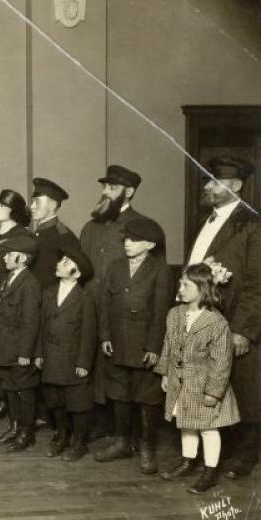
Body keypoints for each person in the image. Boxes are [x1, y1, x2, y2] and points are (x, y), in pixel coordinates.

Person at [186, 155, 261, 481]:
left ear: (236, 186)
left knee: (246, 389)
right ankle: (217, 454)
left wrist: (243, 330)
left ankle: (245, 456)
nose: (206, 187)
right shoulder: (207, 221)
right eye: (206, 180)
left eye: (212, 182)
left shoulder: (252, 224)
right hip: (208, 322)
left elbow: (257, 283)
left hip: (236, 325)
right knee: (215, 388)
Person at [94, 217, 173, 475]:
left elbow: (162, 312)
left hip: (143, 345)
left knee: (147, 396)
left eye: (134, 240)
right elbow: (105, 305)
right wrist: (105, 336)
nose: (127, 243)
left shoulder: (160, 270)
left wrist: (154, 347)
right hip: (117, 342)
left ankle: (147, 447)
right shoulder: (115, 267)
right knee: (119, 393)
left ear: (149, 244)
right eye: (125, 239)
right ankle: (122, 442)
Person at [156, 263, 240, 494]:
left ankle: (210, 471)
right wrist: (165, 372)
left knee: (208, 428)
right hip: (180, 382)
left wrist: (213, 392)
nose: (181, 288)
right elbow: (168, 345)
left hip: (204, 385)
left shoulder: (216, 322)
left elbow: (222, 361)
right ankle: (188, 461)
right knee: (186, 423)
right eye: (180, 284)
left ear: (203, 289)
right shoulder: (175, 314)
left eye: (187, 285)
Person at [79, 165, 149, 439]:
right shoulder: (90, 227)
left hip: (122, 313)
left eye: (112, 187)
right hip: (90, 306)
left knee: (118, 369)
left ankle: (121, 427)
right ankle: (97, 418)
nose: (105, 192)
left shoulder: (140, 227)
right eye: (104, 187)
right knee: (91, 361)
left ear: (129, 192)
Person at [35, 244, 97, 461]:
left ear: (77, 273)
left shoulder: (85, 298)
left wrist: (84, 363)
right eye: (61, 261)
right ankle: (61, 435)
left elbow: (89, 333)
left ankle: (79, 442)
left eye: (66, 263)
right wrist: (39, 352)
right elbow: (41, 326)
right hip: (51, 357)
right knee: (55, 400)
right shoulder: (49, 293)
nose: (59, 264)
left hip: (73, 360)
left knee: (77, 403)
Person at [0, 189, 33, 423]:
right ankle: (0, 399)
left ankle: (9, 406)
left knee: (7, 351)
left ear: (14, 211)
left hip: (9, 298)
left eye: (1, 205)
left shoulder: (22, 237)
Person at [0, 235, 41, 453]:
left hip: (19, 349)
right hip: (4, 346)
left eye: (9, 254)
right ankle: (14, 427)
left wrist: (25, 352)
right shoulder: (8, 278)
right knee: (9, 387)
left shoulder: (30, 284)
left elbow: (31, 321)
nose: (5, 257)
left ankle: (26, 433)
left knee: (24, 391)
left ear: (23, 258)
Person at [29, 177, 80, 289]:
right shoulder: (37, 233)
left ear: (52, 205)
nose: (32, 206)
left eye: (37, 202)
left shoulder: (64, 237)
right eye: (32, 202)